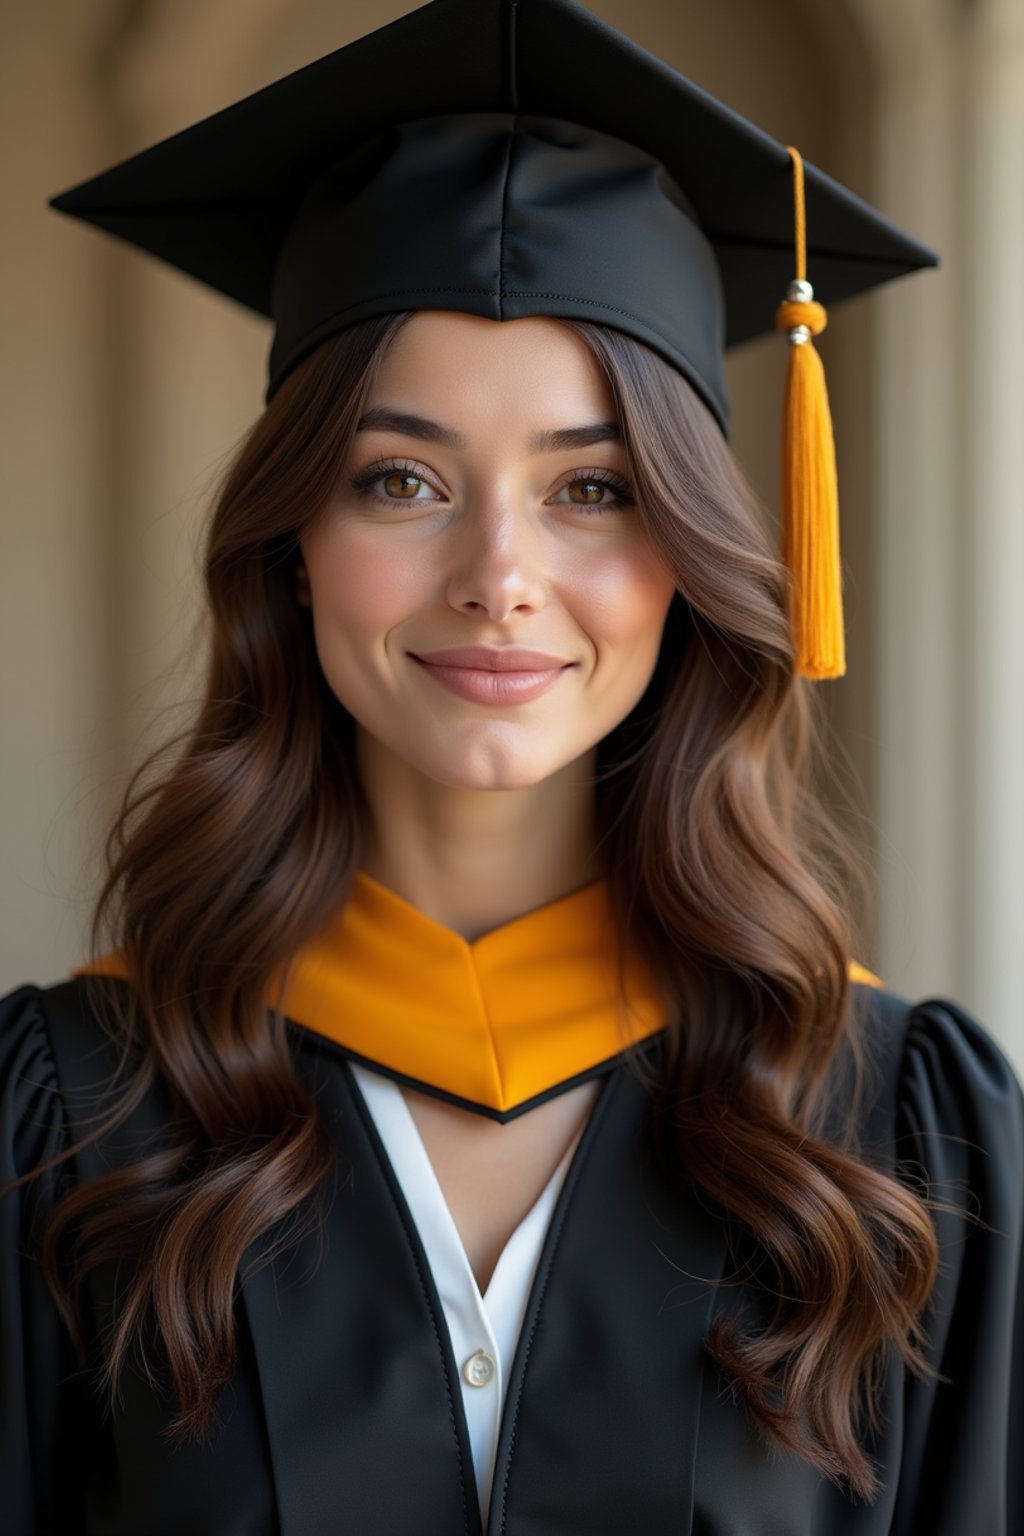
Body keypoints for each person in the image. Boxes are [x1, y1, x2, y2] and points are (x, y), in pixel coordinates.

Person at [2, 0, 1022, 1531]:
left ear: (693, 554)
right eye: (400, 479)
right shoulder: (68, 1117)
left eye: (594, 487)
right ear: (291, 547)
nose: (500, 575)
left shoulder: (897, 1138)